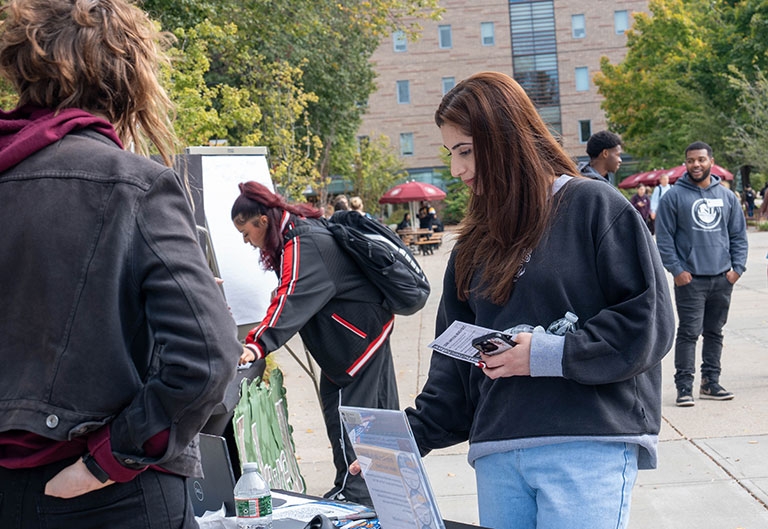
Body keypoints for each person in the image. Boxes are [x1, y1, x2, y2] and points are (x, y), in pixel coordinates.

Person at [383, 72, 674, 529]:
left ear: (505, 138)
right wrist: (403, 439)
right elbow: (453, 368)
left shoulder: (595, 206)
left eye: (465, 151)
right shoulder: (472, 244)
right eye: (451, 154)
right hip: (498, 451)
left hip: (585, 443)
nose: (457, 169)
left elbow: (647, 323)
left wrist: (544, 354)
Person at [0, 1, 240, 528]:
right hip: (110, 498)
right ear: (129, 75)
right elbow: (207, 357)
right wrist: (106, 462)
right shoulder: (134, 182)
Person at [232, 182, 399, 506]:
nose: (245, 240)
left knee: (351, 419)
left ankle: (356, 496)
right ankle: (378, 493)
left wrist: (256, 344)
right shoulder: (302, 232)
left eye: (245, 230)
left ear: (263, 221)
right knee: (373, 419)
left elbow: (290, 297)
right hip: (361, 334)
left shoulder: (302, 243)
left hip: (356, 342)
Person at [656, 141, 748, 407]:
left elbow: (738, 236)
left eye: (700, 160)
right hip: (690, 280)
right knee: (688, 333)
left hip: (722, 278)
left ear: (711, 161)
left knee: (715, 332)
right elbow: (664, 238)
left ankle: (710, 382)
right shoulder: (673, 196)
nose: (695, 164)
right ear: (685, 163)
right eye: (690, 160)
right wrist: (677, 270)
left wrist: (737, 269)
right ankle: (684, 387)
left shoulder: (728, 197)